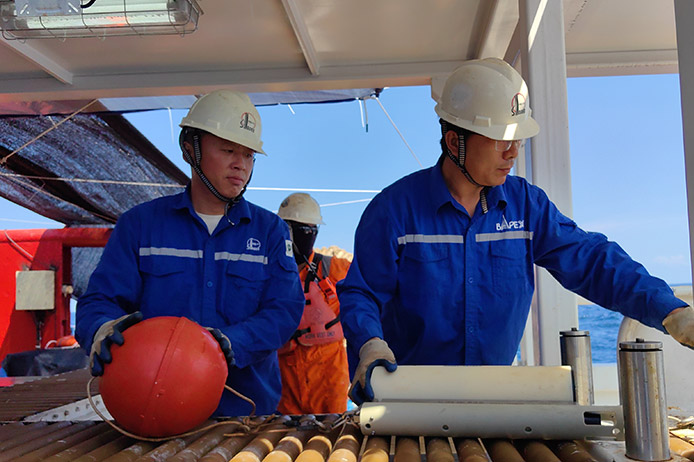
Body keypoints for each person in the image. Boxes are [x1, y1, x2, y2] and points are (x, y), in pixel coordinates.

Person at [337, 57, 694, 405]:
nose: (512, 153)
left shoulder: (526, 205)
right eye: (500, 140)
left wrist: (669, 310)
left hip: (494, 398)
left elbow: (590, 260)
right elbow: (362, 293)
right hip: (408, 401)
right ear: (454, 141)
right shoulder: (393, 211)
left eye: (518, 139)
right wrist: (370, 342)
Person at [75, 90, 305, 416]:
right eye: (228, 150)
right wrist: (100, 328)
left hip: (244, 413)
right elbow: (100, 300)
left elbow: (284, 311)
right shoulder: (139, 226)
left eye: (249, 155)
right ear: (190, 148)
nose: (240, 164)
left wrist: (231, 343)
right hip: (154, 411)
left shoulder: (270, 232)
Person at [276, 193, 351, 414]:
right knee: (285, 434)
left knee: (333, 432)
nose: (309, 235)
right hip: (285, 382)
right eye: (303, 229)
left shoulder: (333, 268)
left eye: (313, 230)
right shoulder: (270, 272)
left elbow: (370, 289)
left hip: (330, 380)